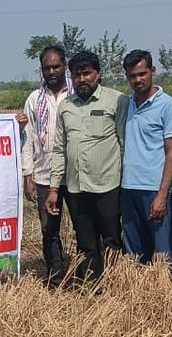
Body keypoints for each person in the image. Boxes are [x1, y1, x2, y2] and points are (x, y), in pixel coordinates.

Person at [46, 51, 128, 283]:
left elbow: (124, 144)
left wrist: (125, 183)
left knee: (111, 238)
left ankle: (114, 284)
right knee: (85, 241)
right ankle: (92, 285)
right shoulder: (66, 107)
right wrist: (53, 189)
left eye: (86, 73)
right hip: (76, 187)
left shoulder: (117, 100)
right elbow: (60, 149)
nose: (82, 79)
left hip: (108, 185)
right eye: (77, 75)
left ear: (98, 74)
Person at [120, 49, 172, 265]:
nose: (138, 80)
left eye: (142, 74)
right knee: (135, 252)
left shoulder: (168, 105)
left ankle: (170, 294)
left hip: (153, 189)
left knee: (163, 251)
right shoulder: (127, 105)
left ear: (152, 71)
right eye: (132, 76)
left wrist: (162, 195)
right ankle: (139, 295)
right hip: (128, 187)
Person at [22, 45, 70, 285]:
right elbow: (28, 138)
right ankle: (56, 277)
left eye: (56, 66)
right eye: (46, 67)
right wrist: (27, 174)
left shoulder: (75, 94)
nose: (51, 71)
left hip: (75, 175)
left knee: (84, 227)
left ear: (65, 66)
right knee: (48, 229)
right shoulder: (34, 99)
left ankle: (84, 274)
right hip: (43, 174)